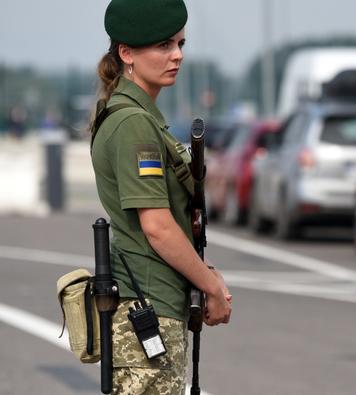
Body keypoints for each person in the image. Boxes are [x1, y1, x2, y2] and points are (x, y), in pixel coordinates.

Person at [90, 0, 232, 394]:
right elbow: (157, 227)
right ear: (127, 53)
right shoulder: (134, 124)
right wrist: (211, 286)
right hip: (147, 312)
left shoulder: (138, 117)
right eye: (164, 45)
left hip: (153, 307)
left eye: (180, 44)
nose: (177, 56)